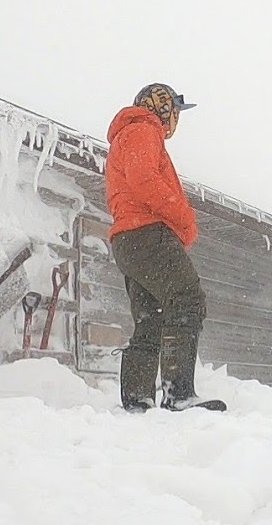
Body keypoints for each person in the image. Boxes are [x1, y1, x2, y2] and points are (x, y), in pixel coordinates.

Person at [104, 83, 225, 412]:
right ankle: (179, 394)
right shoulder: (143, 129)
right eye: (173, 109)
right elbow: (144, 180)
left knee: (152, 319)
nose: (175, 119)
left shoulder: (126, 135)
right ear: (160, 106)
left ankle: (137, 398)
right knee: (186, 299)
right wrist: (184, 217)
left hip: (128, 241)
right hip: (147, 235)